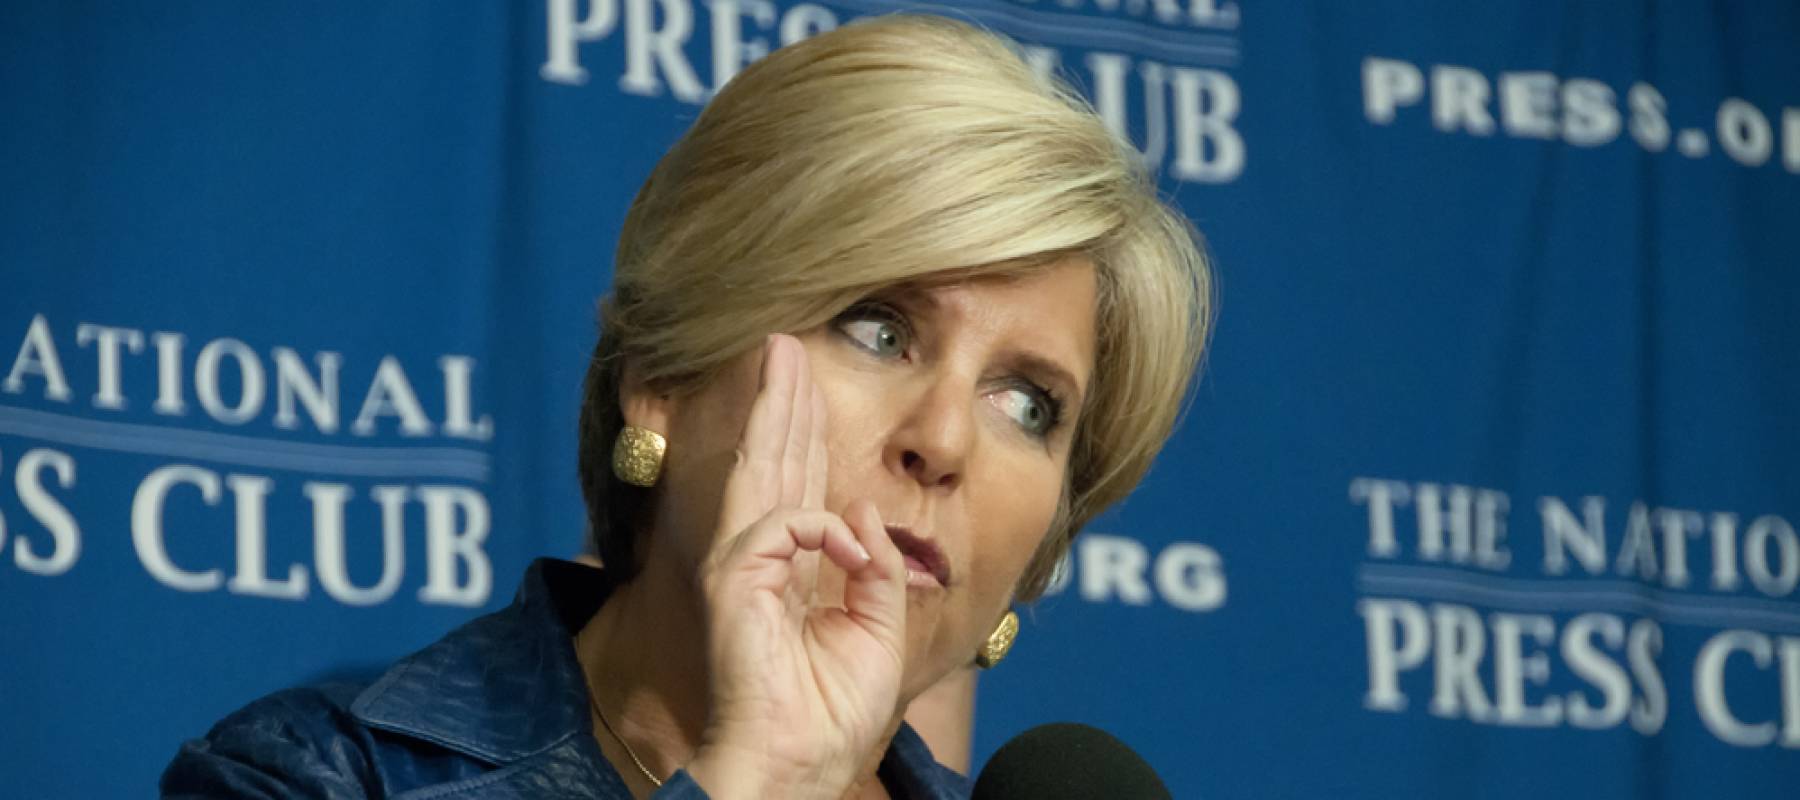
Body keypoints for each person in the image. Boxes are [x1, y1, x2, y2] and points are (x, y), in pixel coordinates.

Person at [161, 13, 1210, 799]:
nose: (943, 440)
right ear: (662, 375)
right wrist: (757, 777)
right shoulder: (319, 776)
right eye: (879, 328)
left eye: (1028, 403)